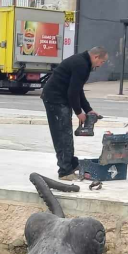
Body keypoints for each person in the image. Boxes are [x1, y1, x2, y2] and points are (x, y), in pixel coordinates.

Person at [40, 46, 108, 180]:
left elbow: (78, 89)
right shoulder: (81, 64)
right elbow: (72, 92)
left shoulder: (83, 62)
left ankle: (70, 164)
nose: (102, 65)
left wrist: (88, 109)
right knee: (62, 135)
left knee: (66, 134)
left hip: (61, 98)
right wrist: (79, 112)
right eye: (102, 61)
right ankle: (65, 171)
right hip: (55, 99)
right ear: (95, 57)